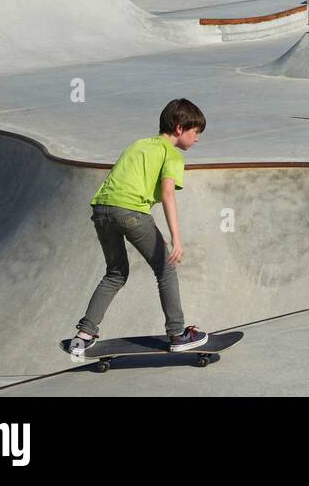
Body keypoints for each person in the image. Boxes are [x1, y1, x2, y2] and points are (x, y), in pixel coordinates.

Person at [69, 99, 210, 357]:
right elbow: (168, 195)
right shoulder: (172, 155)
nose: (197, 139)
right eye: (195, 132)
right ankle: (178, 334)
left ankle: (83, 335)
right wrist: (176, 239)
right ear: (180, 129)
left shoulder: (139, 144)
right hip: (131, 211)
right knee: (166, 269)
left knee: (115, 273)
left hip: (101, 209)